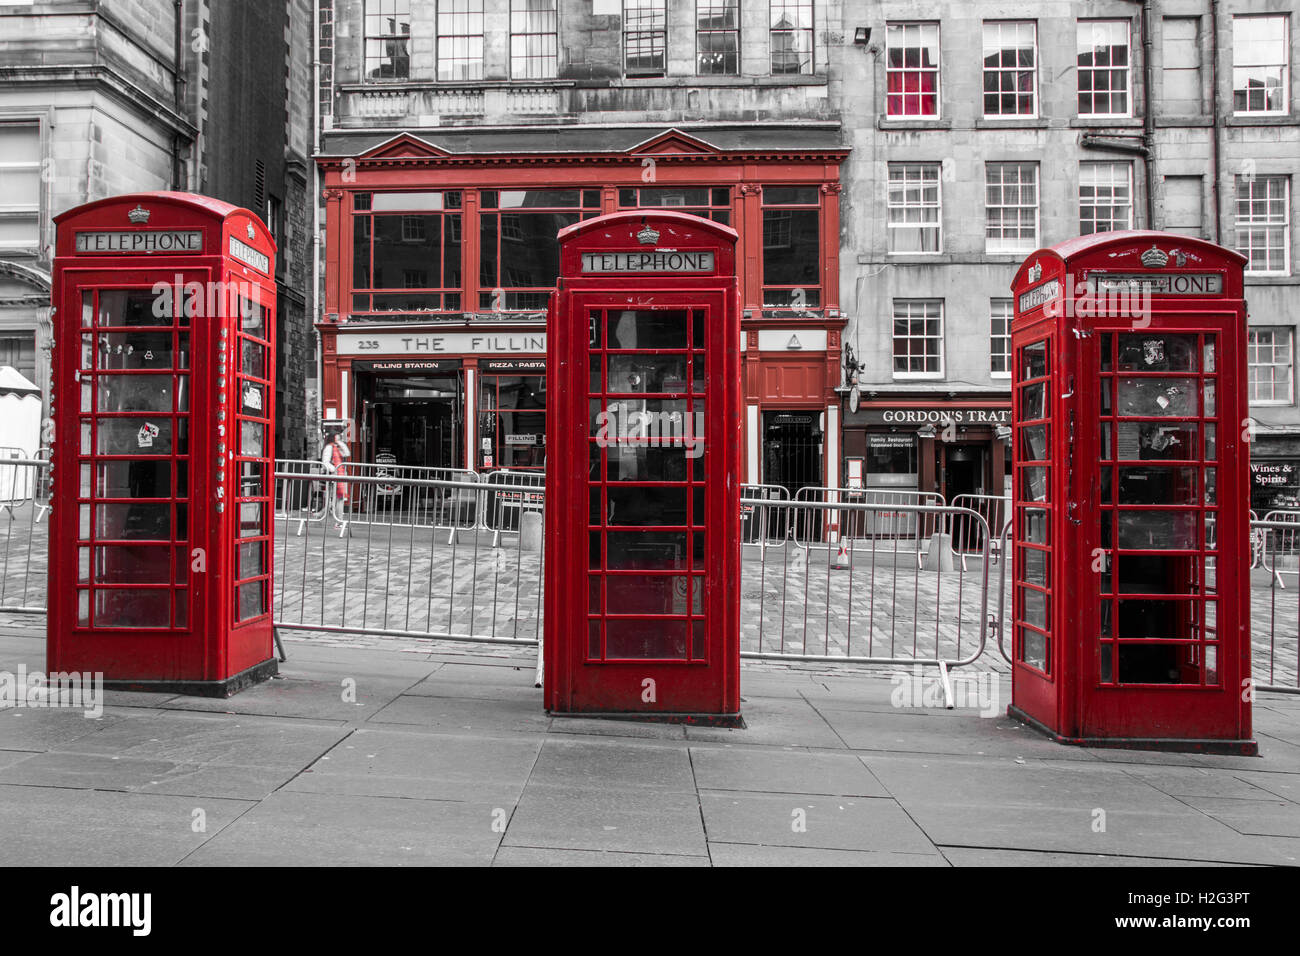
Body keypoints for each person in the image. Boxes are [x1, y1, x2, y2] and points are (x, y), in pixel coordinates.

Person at [320, 428, 351, 528]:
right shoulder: (329, 447)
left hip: (340, 474)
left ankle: (339, 520)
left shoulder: (337, 447)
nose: (339, 438)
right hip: (335, 475)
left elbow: (347, 453)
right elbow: (325, 462)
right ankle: (338, 521)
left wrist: (340, 443)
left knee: (340, 498)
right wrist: (334, 469)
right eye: (337, 436)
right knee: (337, 498)